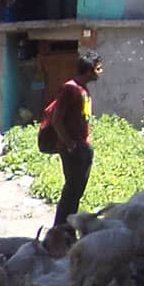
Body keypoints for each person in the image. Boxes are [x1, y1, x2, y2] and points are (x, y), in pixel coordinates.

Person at [43, 55, 102, 228]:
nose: (100, 72)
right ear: (90, 70)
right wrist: (70, 144)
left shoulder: (83, 89)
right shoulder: (70, 89)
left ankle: (68, 230)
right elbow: (57, 119)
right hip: (72, 149)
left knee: (76, 192)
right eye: (98, 68)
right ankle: (58, 230)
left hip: (82, 146)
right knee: (71, 191)